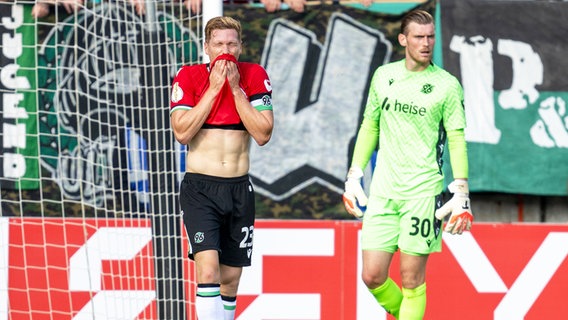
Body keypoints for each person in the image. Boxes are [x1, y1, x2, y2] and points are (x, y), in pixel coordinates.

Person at [342, 9, 473, 319]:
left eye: (430, 37)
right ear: (403, 39)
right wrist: (353, 175)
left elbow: (456, 139)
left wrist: (462, 190)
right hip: (383, 192)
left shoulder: (447, 85)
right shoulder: (384, 76)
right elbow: (369, 126)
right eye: (419, 37)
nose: (426, 43)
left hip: (423, 193)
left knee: (412, 280)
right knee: (372, 276)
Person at [170, 16, 274, 319]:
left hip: (239, 188)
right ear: (207, 47)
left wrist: (235, 89)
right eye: (218, 44)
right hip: (201, 188)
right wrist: (215, 89)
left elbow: (263, 132)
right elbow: (182, 132)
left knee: (230, 279)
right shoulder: (188, 77)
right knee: (208, 269)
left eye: (231, 43)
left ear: (241, 46)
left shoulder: (254, 75)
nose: (225, 50)